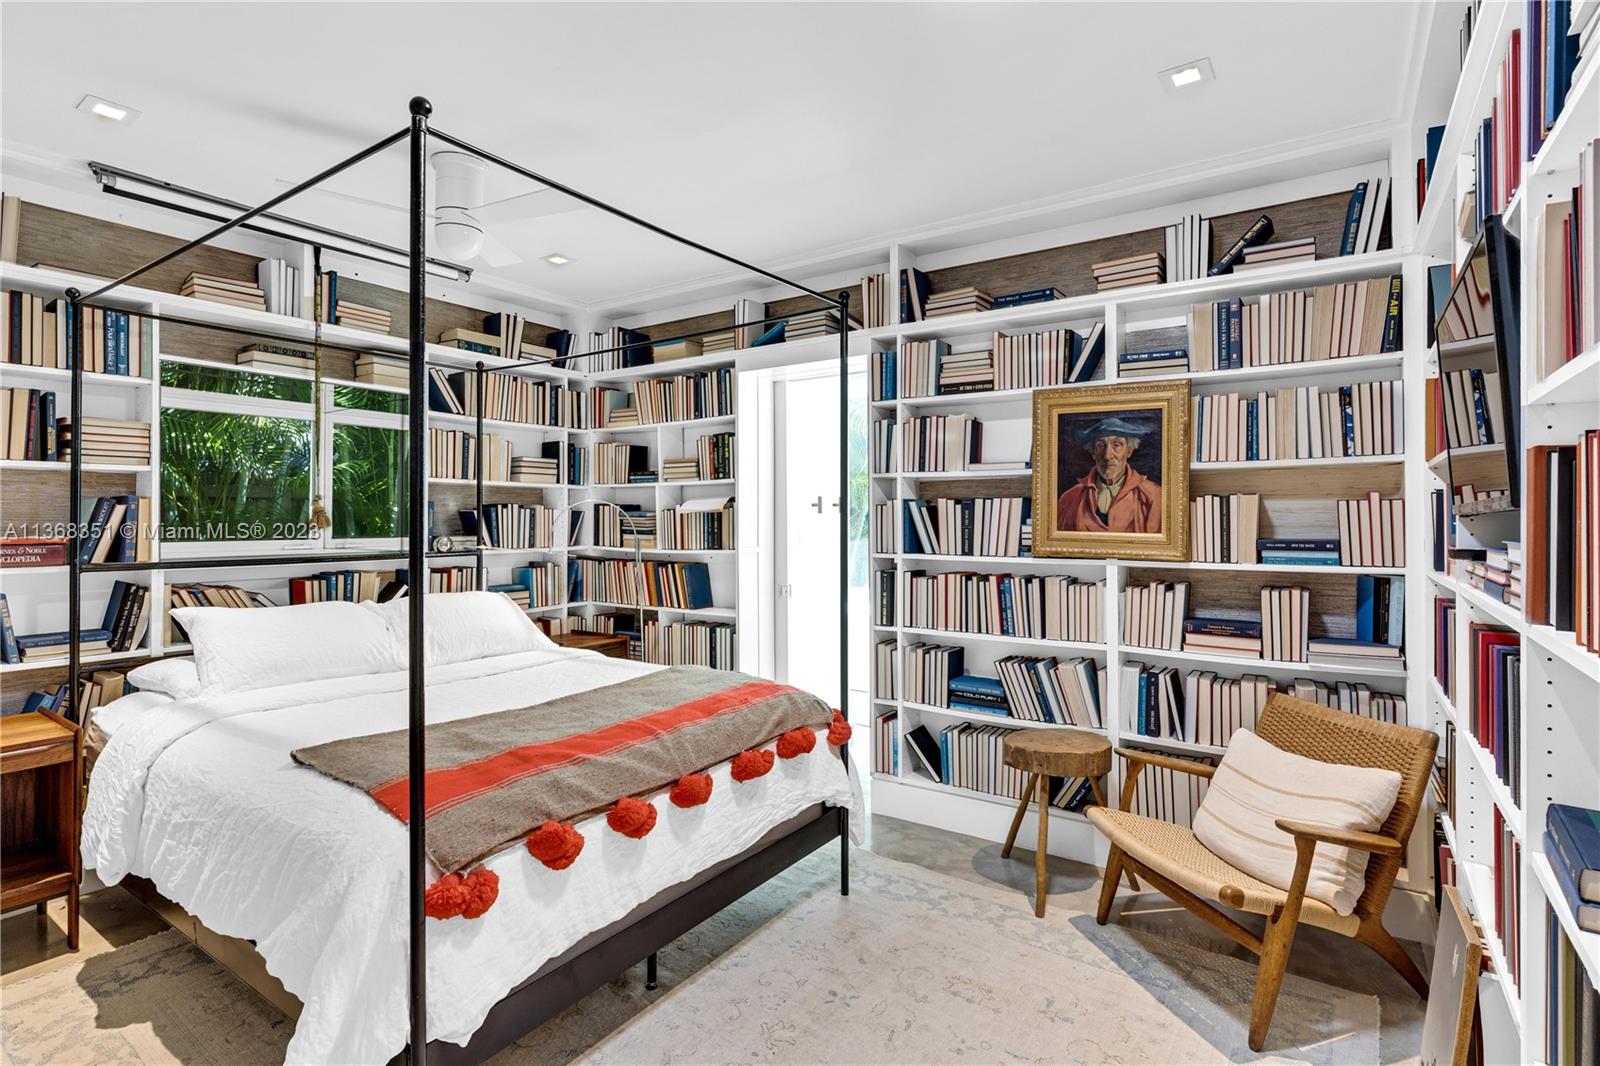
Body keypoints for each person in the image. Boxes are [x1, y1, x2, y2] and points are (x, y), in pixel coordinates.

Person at [1056, 415, 1162, 533]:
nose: (1107, 456)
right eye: (1100, 446)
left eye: (1116, 445)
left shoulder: (1153, 497)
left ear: (1129, 451)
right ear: (1093, 453)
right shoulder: (1070, 498)